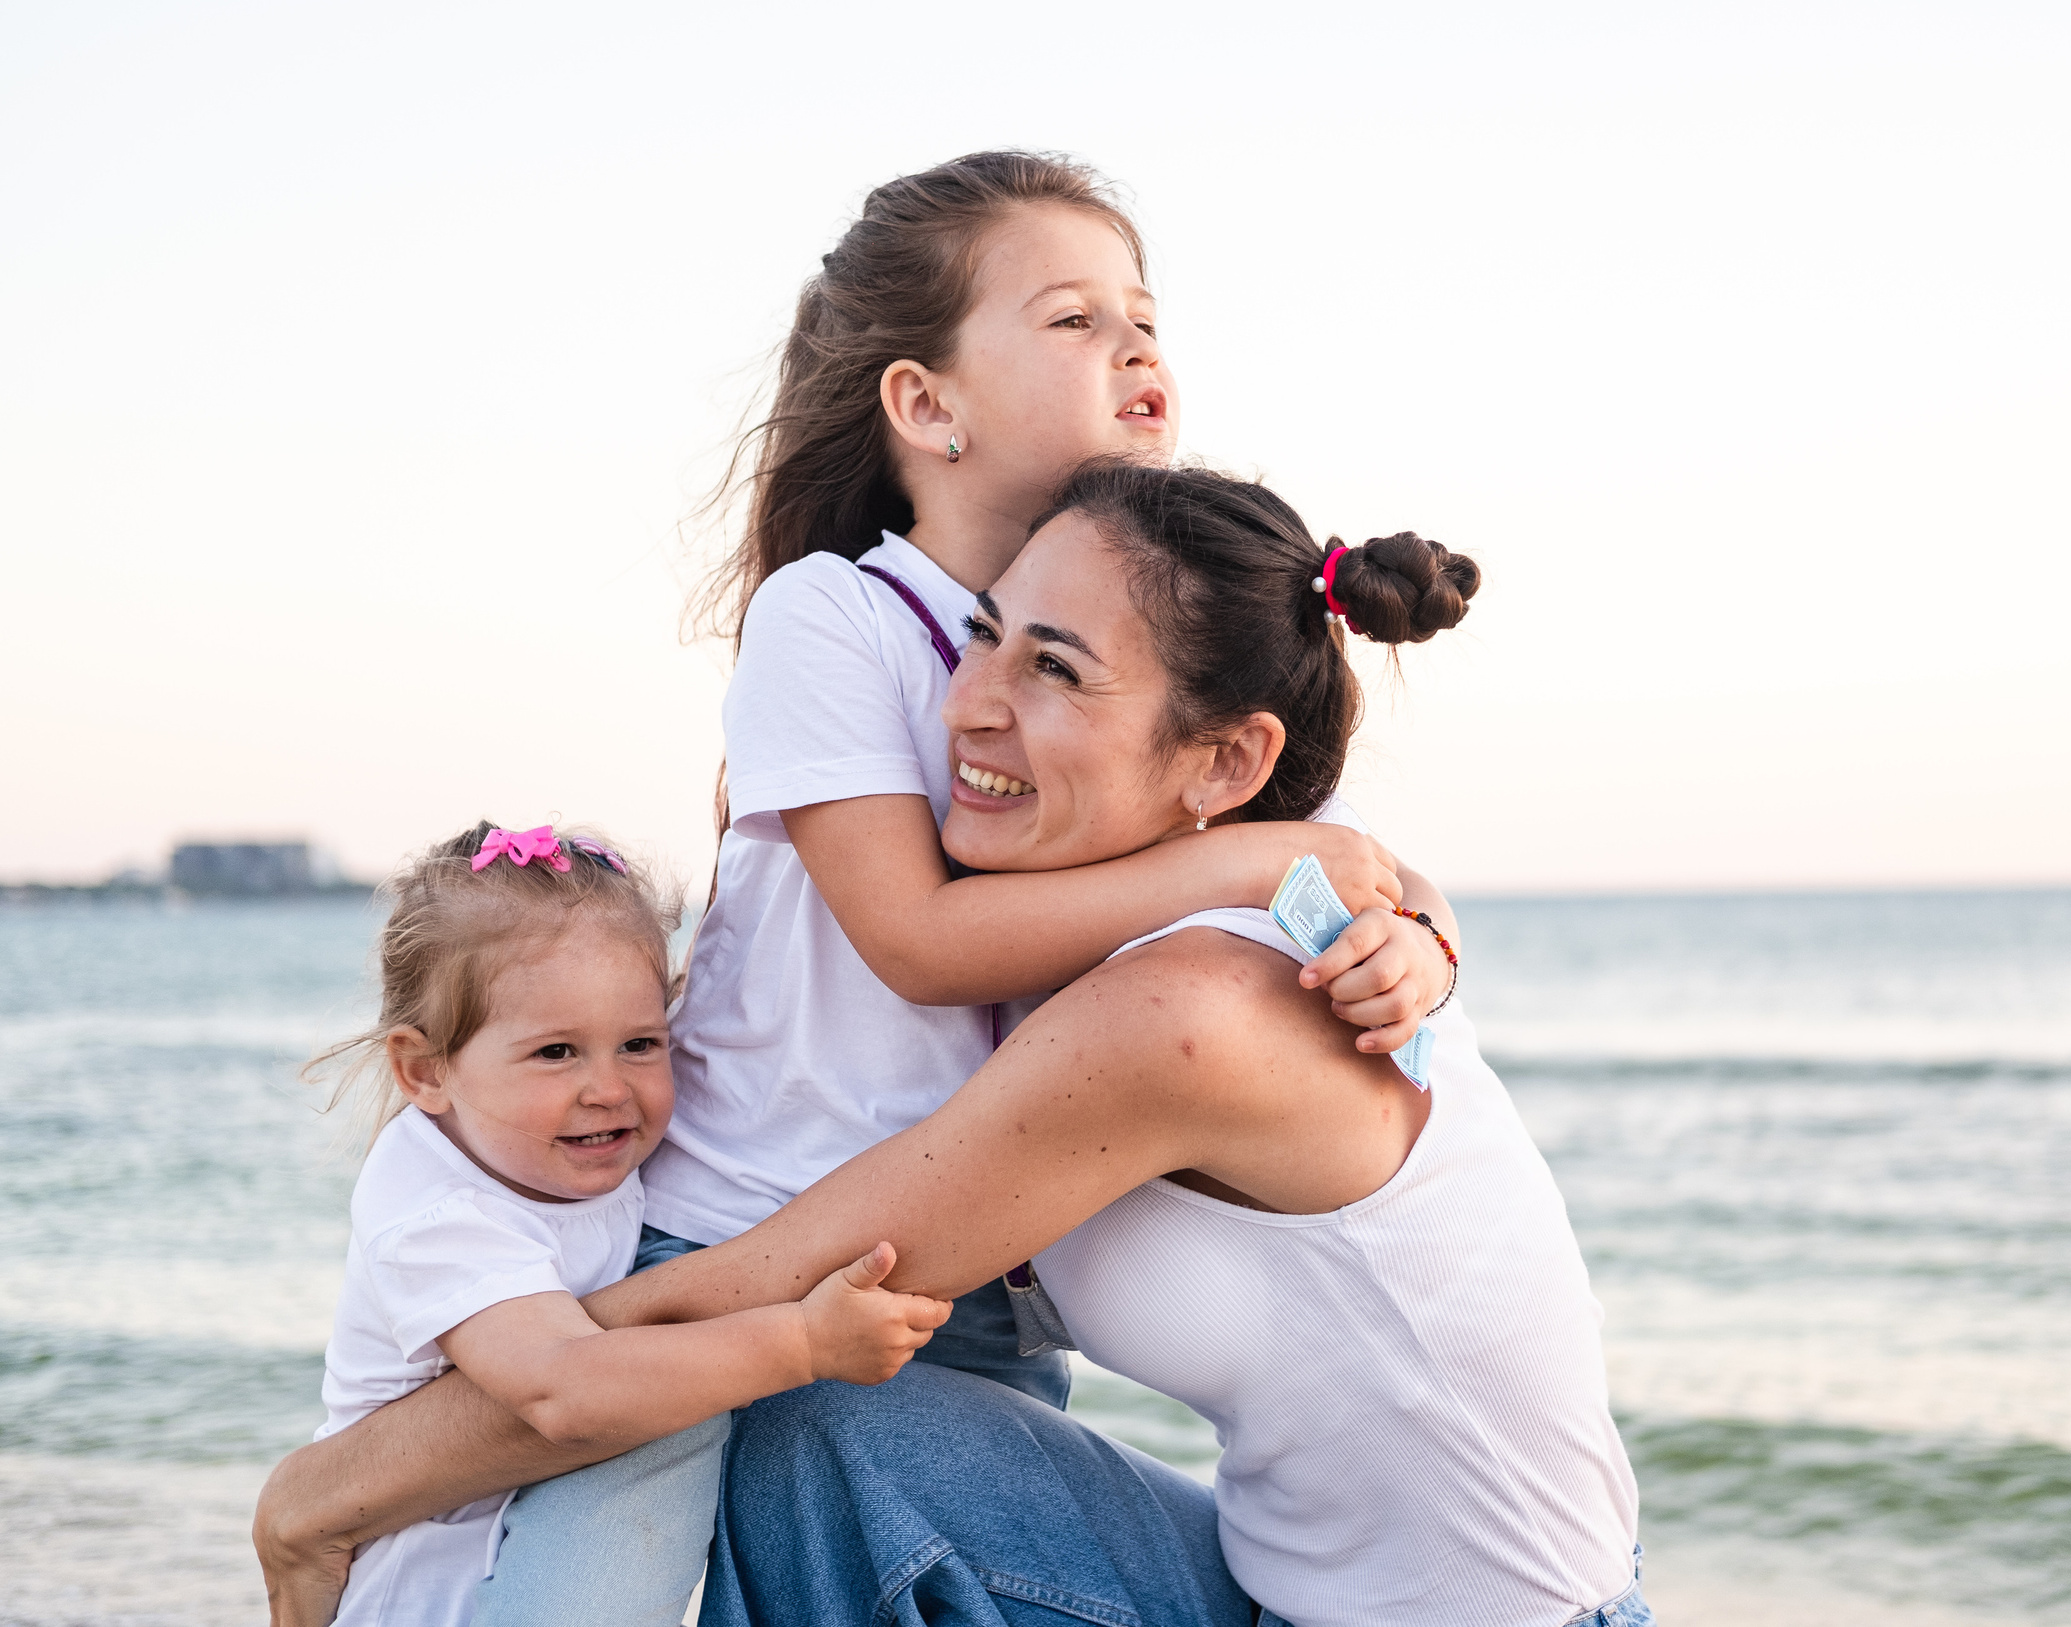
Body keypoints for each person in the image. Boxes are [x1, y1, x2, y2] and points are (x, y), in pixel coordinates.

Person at [255, 152, 1458, 1623]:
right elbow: (917, 936)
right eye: (1075, 319)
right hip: (738, 1232)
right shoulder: (838, 612)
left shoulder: (1134, 657)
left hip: (968, 1279)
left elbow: (1328, 852)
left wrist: (1411, 944)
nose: (1137, 347)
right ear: (925, 404)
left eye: (1146, 317)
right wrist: (1254, 857)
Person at [276, 464, 1649, 1627]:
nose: (965, 704)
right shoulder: (1145, 929)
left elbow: (768, 1287)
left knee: (794, 1381)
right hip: (1261, 1586)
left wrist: (341, 1486)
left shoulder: (1193, 1008)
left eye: (1051, 667)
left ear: (1226, 765)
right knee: (822, 1414)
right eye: (984, 635)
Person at [299, 822, 949, 1627]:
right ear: (426, 1069)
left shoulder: (560, 1144)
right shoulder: (435, 1208)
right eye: (556, 1053)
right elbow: (561, 1386)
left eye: (640, 1042)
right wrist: (805, 1342)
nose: (609, 1087)